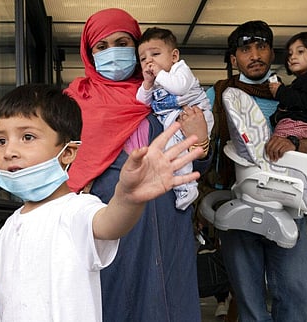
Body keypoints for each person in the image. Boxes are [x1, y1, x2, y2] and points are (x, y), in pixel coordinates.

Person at [0, 84, 205, 322]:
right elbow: (7, 291)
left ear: (68, 152)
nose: (9, 151)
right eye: (1, 140)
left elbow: (110, 223)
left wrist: (127, 197)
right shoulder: (12, 225)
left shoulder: (77, 210)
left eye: (27, 137)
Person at [64, 8, 211, 322]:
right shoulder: (74, 102)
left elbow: (196, 160)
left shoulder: (163, 93)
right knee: (117, 300)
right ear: (89, 55)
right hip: (111, 218)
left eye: (122, 42)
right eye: (101, 47)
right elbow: (63, 167)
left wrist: (202, 141)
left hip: (169, 217)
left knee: (171, 298)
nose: (112, 53)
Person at [203, 20, 307, 321]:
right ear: (235, 59)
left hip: (287, 207)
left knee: (296, 295)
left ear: (271, 54)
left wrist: (292, 142)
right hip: (237, 207)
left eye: (261, 47)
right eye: (246, 49)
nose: (255, 54)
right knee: (248, 303)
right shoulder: (218, 94)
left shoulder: (293, 95)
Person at [136, 27, 213, 210]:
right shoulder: (155, 79)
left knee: (179, 150)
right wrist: (147, 83)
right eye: (143, 59)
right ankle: (183, 187)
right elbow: (141, 102)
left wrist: (159, 75)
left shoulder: (181, 70)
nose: (149, 61)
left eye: (155, 54)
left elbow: (178, 88)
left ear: (174, 56)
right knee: (173, 149)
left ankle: (188, 187)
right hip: (175, 118)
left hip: (197, 114)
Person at [268, 32, 307, 156]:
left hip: (297, 125)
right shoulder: (305, 80)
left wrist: (280, 91)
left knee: (272, 149)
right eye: (290, 54)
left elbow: (304, 101)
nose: (292, 57)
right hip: (298, 125)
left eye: (300, 52)